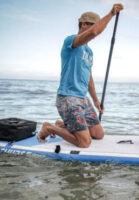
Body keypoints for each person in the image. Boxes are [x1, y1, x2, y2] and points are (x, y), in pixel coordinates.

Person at [37, 4, 124, 148]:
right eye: (94, 25)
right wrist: (111, 14)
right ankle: (49, 128)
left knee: (98, 134)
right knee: (85, 142)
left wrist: (96, 101)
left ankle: (62, 125)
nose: (97, 28)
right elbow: (95, 32)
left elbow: (88, 77)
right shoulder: (71, 41)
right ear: (83, 24)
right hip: (68, 98)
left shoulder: (89, 52)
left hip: (83, 99)